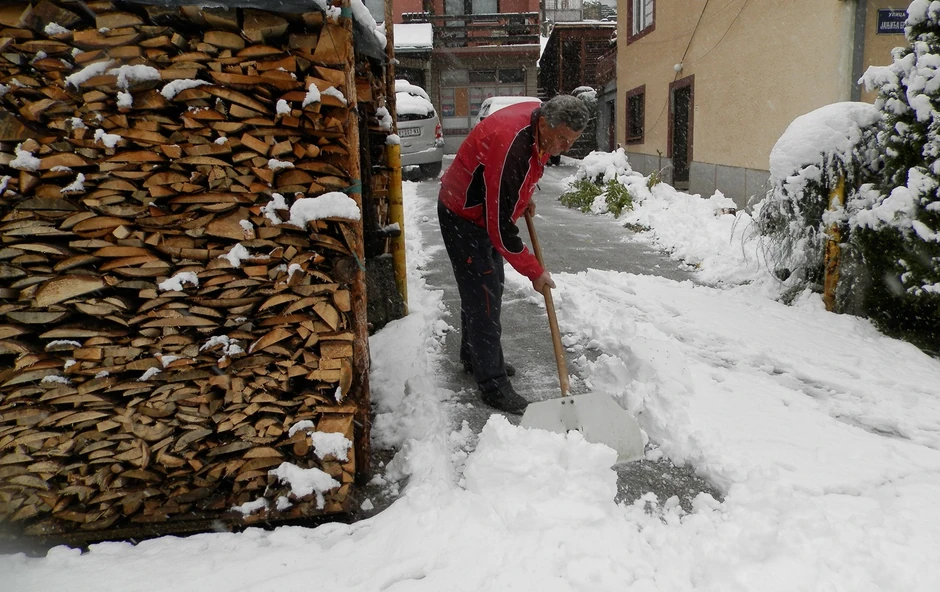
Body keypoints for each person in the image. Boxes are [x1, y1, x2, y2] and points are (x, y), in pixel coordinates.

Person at [437, 94, 590, 414]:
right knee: (484, 294)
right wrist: (534, 271)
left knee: (483, 288)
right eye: (562, 138)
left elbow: (525, 172)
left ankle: (474, 355)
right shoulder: (513, 144)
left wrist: (523, 198)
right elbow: (499, 227)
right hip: (463, 215)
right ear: (545, 123)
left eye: (572, 141)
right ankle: (492, 385)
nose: (565, 147)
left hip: (475, 207)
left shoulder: (539, 131)